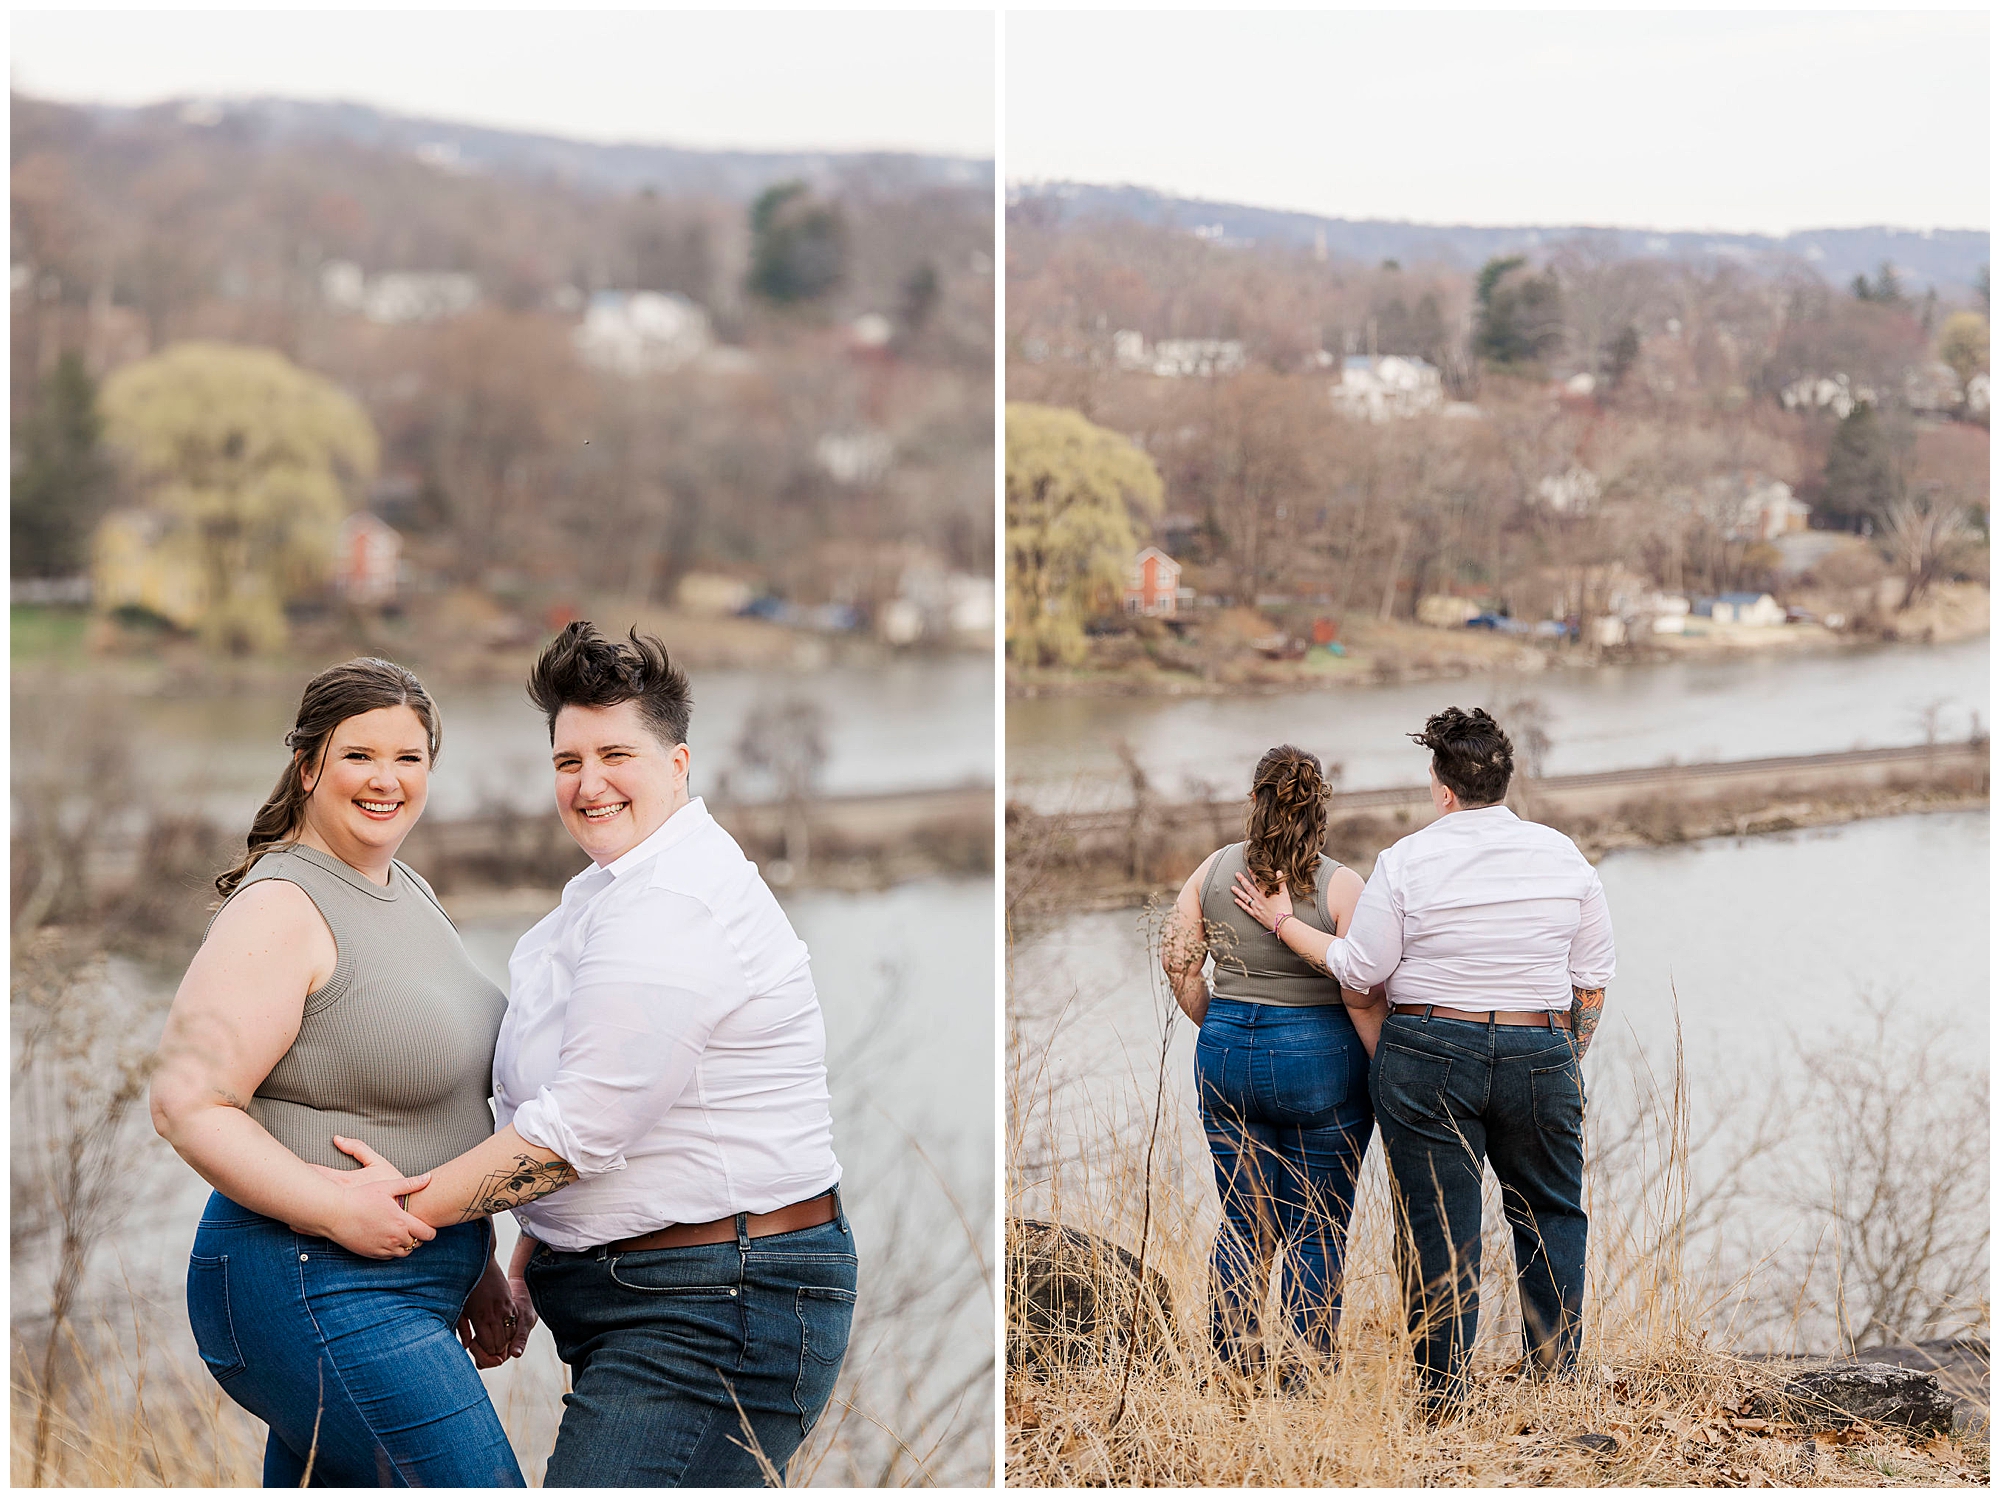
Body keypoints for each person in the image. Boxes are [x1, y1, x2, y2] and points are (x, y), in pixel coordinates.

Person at [332, 622, 855, 1487]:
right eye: (568, 761)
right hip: (663, 1295)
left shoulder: (672, 904)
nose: (589, 783)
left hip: (717, 1308)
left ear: (679, 764)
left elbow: (577, 1133)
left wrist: (392, 1209)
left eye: (617, 754)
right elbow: (576, 1111)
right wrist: (527, 1260)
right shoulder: (605, 895)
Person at [150, 658, 527, 1487]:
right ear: (310, 764)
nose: (386, 780)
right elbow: (186, 1102)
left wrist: (477, 1262)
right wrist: (332, 1208)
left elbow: (438, 1102)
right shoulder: (282, 906)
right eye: (360, 755)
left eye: (410, 757)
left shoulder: (406, 890)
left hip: (412, 1276)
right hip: (310, 1279)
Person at [1233, 706, 1615, 1415]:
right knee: (1553, 1213)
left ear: (1442, 787)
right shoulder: (1565, 856)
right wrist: (1562, 1055)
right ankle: (1556, 1383)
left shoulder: (1405, 860)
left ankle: (1443, 1400)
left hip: (1429, 1054)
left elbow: (1359, 970)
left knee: (1437, 1226)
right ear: (1505, 780)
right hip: (1540, 1049)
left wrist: (1284, 923)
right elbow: (1591, 979)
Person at [1160, 745, 1385, 1385]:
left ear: (1255, 802)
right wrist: (1384, 1076)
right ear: (1319, 813)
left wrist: (1222, 1022)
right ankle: (1304, 1377)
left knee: (1244, 1219)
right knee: (1317, 1225)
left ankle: (1232, 1368)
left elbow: (1178, 961)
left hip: (1226, 1051)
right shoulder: (1343, 886)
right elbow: (1361, 991)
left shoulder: (1212, 871)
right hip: (1320, 1061)